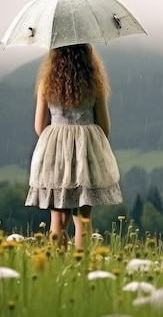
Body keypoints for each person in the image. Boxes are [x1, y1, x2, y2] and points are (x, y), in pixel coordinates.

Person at [25, 43, 123, 251]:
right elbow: (105, 127)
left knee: (58, 219)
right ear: (87, 54)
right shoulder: (94, 83)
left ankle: (55, 270)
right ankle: (82, 269)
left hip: (55, 156)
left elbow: (39, 126)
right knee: (83, 219)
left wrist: (59, 141)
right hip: (84, 155)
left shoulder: (47, 83)